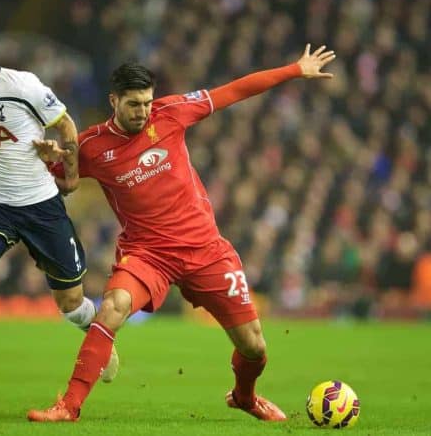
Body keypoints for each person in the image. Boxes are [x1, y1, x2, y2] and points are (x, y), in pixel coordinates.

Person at [27, 44, 335, 422]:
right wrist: (47, 162)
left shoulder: (170, 113)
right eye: (134, 104)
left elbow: (234, 91)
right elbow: (61, 179)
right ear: (114, 100)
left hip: (205, 249)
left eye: (146, 102)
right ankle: (68, 407)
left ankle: (244, 396)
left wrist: (294, 69)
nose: (143, 112)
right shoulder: (92, 146)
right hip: (147, 254)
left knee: (254, 346)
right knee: (112, 309)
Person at [0, 20, 118, 396]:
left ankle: (99, 335)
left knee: (70, 303)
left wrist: (69, 175)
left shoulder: (23, 87)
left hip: (39, 205)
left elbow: (66, 126)